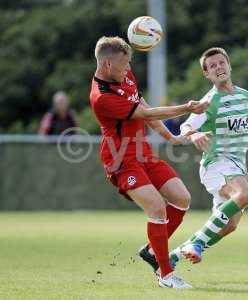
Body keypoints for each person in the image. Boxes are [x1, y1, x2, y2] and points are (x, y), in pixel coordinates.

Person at [89, 36, 208, 289]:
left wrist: (170, 137)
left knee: (182, 198)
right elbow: (145, 114)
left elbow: (141, 103)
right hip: (121, 160)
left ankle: (151, 251)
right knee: (156, 207)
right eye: (124, 65)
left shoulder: (125, 73)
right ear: (108, 66)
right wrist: (186, 107)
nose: (128, 69)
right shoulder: (102, 97)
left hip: (144, 154)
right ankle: (166, 275)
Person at [169, 47, 248, 268]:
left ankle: (173, 257)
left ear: (229, 65)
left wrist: (245, 175)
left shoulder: (244, 96)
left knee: (230, 225)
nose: (218, 67)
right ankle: (197, 244)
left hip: (234, 165)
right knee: (243, 196)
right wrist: (195, 133)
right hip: (216, 163)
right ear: (207, 74)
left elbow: (239, 141)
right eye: (212, 66)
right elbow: (186, 125)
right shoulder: (209, 101)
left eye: (221, 62)